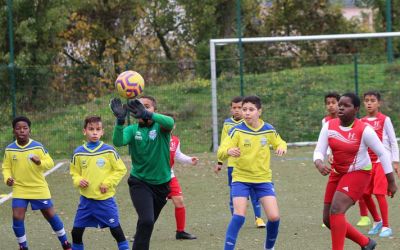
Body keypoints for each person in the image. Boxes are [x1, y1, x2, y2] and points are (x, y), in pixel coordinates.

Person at [313, 93, 397, 250]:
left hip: (359, 173)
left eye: (347, 105)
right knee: (328, 219)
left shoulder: (365, 130)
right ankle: (366, 243)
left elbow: (383, 153)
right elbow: (319, 150)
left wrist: (391, 182)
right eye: (340, 105)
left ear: (356, 109)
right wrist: (318, 163)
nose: (341, 107)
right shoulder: (328, 126)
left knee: (337, 209)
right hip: (337, 173)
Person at [217, 95, 287, 250]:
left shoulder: (268, 129)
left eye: (251, 109)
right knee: (239, 216)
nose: (247, 113)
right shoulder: (237, 130)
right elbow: (221, 151)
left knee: (274, 217)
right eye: (244, 109)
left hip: (262, 180)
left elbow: (280, 142)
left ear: (259, 111)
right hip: (241, 179)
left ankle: (269, 247)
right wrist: (228, 150)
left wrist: (282, 147)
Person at [110, 96, 174, 250]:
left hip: (162, 185)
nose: (142, 108)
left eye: (146, 106)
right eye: (139, 106)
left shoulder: (161, 127)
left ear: (154, 110)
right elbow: (118, 142)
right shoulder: (132, 130)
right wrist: (119, 121)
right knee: (146, 221)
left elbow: (170, 122)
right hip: (140, 183)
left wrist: (148, 115)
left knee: (146, 225)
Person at [1, 116, 72, 250]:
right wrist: (7, 178)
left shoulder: (37, 146)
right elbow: (6, 167)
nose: (22, 131)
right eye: (18, 128)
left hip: (38, 187)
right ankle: (23, 246)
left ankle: (66, 244)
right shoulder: (9, 149)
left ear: (29, 130)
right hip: (20, 188)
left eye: (25, 128)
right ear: (13, 131)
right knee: (17, 216)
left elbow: (50, 162)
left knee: (50, 215)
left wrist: (40, 162)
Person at [69, 115, 129, 250]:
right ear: (84, 131)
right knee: (76, 232)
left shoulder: (108, 150)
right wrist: (79, 180)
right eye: (91, 129)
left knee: (116, 231)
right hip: (86, 202)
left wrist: (107, 183)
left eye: (98, 129)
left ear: (102, 132)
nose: (94, 132)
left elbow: (121, 169)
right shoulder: (78, 153)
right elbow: (74, 172)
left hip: (105, 200)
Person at [215, 96, 266, 228]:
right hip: (234, 165)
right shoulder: (228, 124)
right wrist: (220, 162)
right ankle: (236, 219)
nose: (237, 110)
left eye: (240, 108)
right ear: (231, 109)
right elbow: (223, 144)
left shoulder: (251, 122)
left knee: (255, 193)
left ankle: (258, 218)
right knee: (234, 194)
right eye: (234, 108)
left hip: (251, 165)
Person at [359, 91, 399, 237]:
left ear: (379, 103)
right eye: (366, 100)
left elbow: (394, 142)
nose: (369, 103)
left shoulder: (385, 120)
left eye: (373, 100)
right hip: (367, 162)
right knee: (364, 193)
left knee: (379, 193)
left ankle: (387, 226)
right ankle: (377, 221)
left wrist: (396, 162)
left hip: (383, 161)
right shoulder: (361, 122)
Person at [165, 113, 199, 240]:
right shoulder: (154, 139)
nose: (167, 125)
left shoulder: (175, 140)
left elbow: (178, 155)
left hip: (169, 176)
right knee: (151, 208)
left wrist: (190, 160)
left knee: (179, 200)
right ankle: (141, 233)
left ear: (174, 126)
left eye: (170, 123)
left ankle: (180, 231)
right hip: (153, 178)